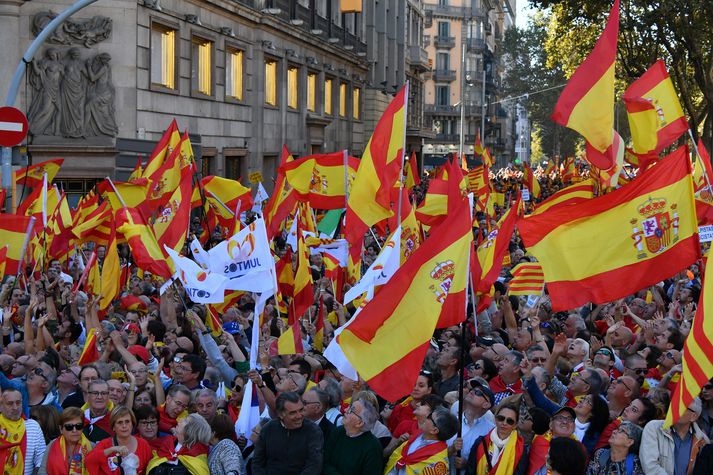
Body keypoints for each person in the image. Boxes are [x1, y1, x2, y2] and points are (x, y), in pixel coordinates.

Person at [251, 392, 323, 474]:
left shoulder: (313, 431)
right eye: (293, 413)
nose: (299, 416)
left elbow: (314, 465)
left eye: (301, 410)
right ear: (280, 414)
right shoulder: (268, 429)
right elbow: (257, 463)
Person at [639, 397, 709, 475]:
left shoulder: (703, 440)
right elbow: (650, 466)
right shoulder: (654, 428)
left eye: (682, 407)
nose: (675, 409)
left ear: (693, 416)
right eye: (675, 404)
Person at [385, 407, 458, 475]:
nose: (426, 417)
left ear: (434, 430)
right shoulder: (417, 436)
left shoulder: (437, 463)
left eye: (429, 417)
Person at [85, 405, 152, 475]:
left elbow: (149, 470)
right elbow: (88, 461)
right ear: (113, 427)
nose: (124, 426)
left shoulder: (143, 445)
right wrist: (112, 449)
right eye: (120, 422)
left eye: (127, 421)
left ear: (132, 424)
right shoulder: (105, 444)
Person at [322, 400, 383, 474]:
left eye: (351, 410)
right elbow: (324, 460)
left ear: (359, 423)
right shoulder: (338, 431)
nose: (345, 410)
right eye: (349, 406)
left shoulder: (373, 448)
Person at [466, 402, 527, 475]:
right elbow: (470, 471)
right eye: (501, 418)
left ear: (515, 425)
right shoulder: (481, 442)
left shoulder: (520, 449)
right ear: (495, 419)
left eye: (510, 421)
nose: (504, 423)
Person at [451, 378, 496, 471]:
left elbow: (491, 463)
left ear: (486, 405)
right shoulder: (451, 421)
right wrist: (450, 450)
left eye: (478, 393)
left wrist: (467, 463)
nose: (472, 392)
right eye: (473, 390)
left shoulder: (491, 431)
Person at [146, 413, 211, 475]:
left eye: (185, 420)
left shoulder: (198, 455)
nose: (180, 420)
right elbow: (153, 465)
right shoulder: (167, 444)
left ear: (191, 430)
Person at [0, 388, 46, 475]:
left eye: (18, 402)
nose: (15, 407)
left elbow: (41, 456)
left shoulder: (33, 426)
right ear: (1, 406)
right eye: (10, 404)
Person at [38, 407, 94, 475]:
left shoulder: (92, 447)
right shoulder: (52, 445)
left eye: (78, 426)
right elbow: (42, 472)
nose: (74, 430)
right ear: (61, 429)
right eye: (69, 427)